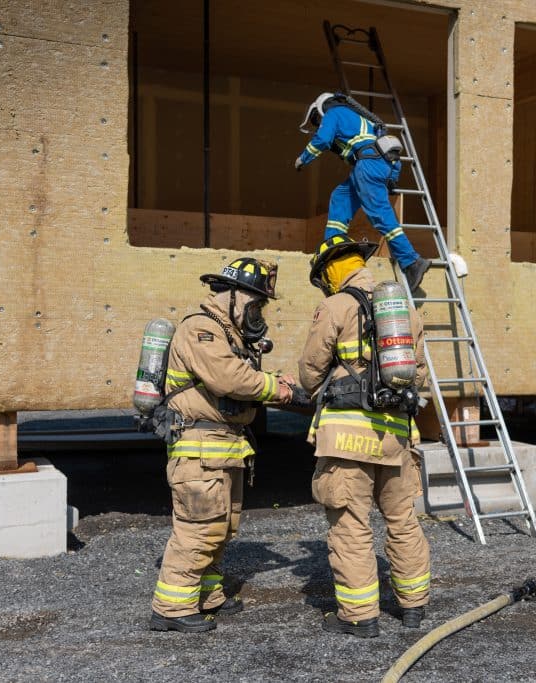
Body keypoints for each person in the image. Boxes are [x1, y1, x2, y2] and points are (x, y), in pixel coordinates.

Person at [149, 257, 295, 633]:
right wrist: (277, 388)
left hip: (224, 446)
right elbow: (229, 379)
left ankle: (207, 594)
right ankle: (172, 607)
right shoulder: (201, 329)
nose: (258, 313)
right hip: (199, 447)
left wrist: (279, 379)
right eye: (255, 304)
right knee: (198, 528)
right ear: (231, 295)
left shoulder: (229, 335)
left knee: (221, 527)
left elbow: (240, 375)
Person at [299, 235, 432, 638]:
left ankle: (359, 617)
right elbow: (420, 375)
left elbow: (310, 372)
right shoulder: (403, 309)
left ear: (330, 272)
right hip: (396, 437)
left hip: (346, 440)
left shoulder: (335, 306)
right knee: (403, 520)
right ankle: (414, 606)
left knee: (351, 526)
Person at [294, 92, 430, 293]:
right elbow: (389, 150)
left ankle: (411, 261)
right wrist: (391, 177)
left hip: (367, 165)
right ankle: (334, 247)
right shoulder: (361, 120)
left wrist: (303, 159)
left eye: (316, 119)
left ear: (322, 107)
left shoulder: (334, 113)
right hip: (375, 164)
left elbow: (322, 139)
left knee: (380, 214)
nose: (318, 123)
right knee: (340, 197)